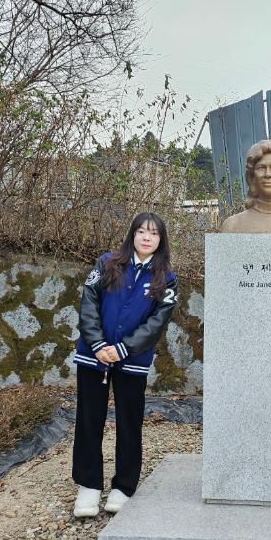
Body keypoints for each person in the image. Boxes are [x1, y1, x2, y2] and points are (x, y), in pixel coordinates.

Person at [71, 212, 178, 517]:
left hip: (132, 361)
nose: (147, 237)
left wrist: (123, 349)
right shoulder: (107, 263)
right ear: (132, 234)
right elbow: (88, 303)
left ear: (161, 240)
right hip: (93, 356)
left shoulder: (167, 278)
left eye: (154, 233)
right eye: (142, 231)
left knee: (130, 423)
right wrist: (97, 344)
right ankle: (88, 485)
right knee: (89, 419)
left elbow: (157, 322)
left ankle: (124, 486)